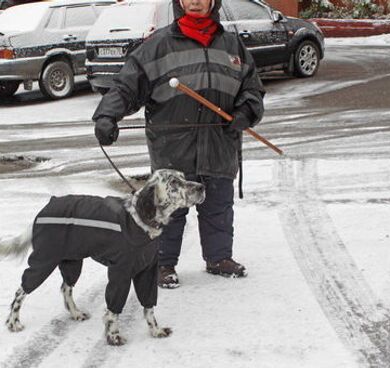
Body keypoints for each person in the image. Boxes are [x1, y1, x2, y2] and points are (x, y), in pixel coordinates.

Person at [92, 0, 265, 288]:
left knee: (218, 204)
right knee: (168, 208)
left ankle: (219, 257)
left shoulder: (232, 46)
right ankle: (161, 264)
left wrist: (246, 111)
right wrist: (107, 115)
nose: (195, 1)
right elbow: (125, 86)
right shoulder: (158, 45)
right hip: (172, 148)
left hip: (220, 143)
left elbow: (252, 88)